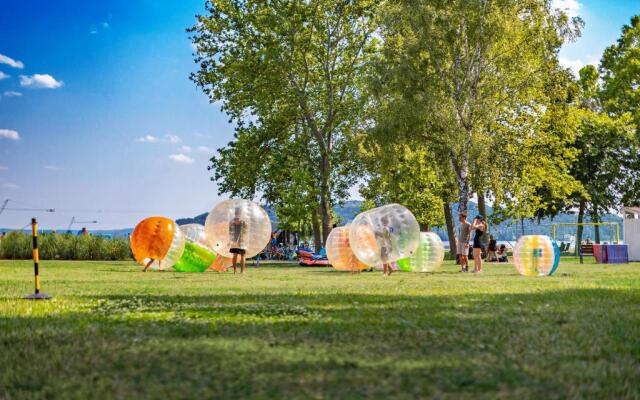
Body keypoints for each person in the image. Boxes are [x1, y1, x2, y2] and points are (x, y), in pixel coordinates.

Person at [229, 206, 248, 274]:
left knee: (235, 255)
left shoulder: (231, 222)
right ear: (241, 213)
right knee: (243, 255)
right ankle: (242, 271)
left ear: (235, 213)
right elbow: (246, 231)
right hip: (242, 240)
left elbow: (230, 232)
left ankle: (235, 270)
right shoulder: (243, 222)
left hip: (234, 240)